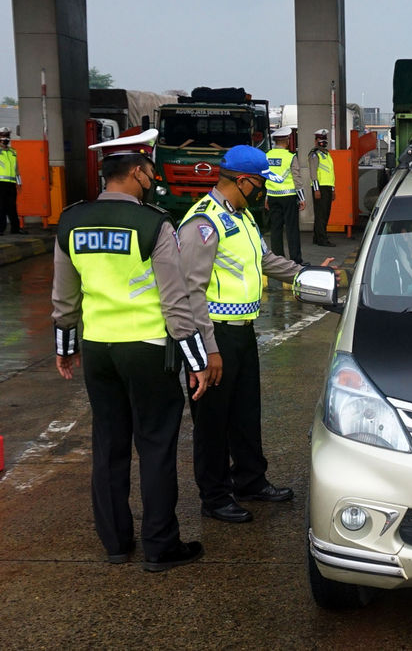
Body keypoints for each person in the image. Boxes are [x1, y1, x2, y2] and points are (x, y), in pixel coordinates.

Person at [51, 129, 211, 572]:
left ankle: (116, 543)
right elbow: (175, 300)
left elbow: (64, 297)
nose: (152, 178)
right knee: (156, 446)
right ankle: (160, 546)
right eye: (149, 172)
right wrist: (196, 361)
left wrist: (66, 347)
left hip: (99, 348)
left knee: (109, 444)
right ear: (138, 173)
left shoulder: (71, 220)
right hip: (146, 347)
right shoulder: (153, 223)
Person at [178, 145, 333, 523]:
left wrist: (305, 272)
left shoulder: (243, 218)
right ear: (244, 181)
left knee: (245, 412)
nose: (264, 191)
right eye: (261, 184)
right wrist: (208, 351)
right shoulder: (203, 223)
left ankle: (250, 480)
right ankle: (214, 496)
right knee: (212, 421)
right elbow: (189, 290)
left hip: (243, 333)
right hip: (213, 336)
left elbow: (264, 260)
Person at [265, 127, 305, 264]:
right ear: (286, 141)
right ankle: (296, 259)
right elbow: (297, 178)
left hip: (272, 196)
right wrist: (302, 198)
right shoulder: (290, 157)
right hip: (288, 196)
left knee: (275, 229)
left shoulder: (267, 156)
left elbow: (265, 178)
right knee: (291, 228)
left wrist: (266, 197)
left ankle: (278, 260)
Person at [308, 128, 335, 247]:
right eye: (320, 139)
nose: (323, 141)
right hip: (320, 187)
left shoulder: (326, 154)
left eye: (324, 139)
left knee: (324, 213)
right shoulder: (315, 154)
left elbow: (331, 173)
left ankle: (317, 237)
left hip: (328, 187)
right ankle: (322, 239)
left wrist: (333, 189)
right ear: (315, 141)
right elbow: (313, 173)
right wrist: (316, 189)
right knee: (321, 214)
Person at [0, 127, 22, 234]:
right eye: (3, 136)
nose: (6, 138)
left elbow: (16, 170)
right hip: (0, 184)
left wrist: (19, 183)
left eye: (7, 136)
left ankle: (15, 229)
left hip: (11, 184)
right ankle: (0, 229)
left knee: (12, 207)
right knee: (1, 207)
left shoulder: (13, 152)